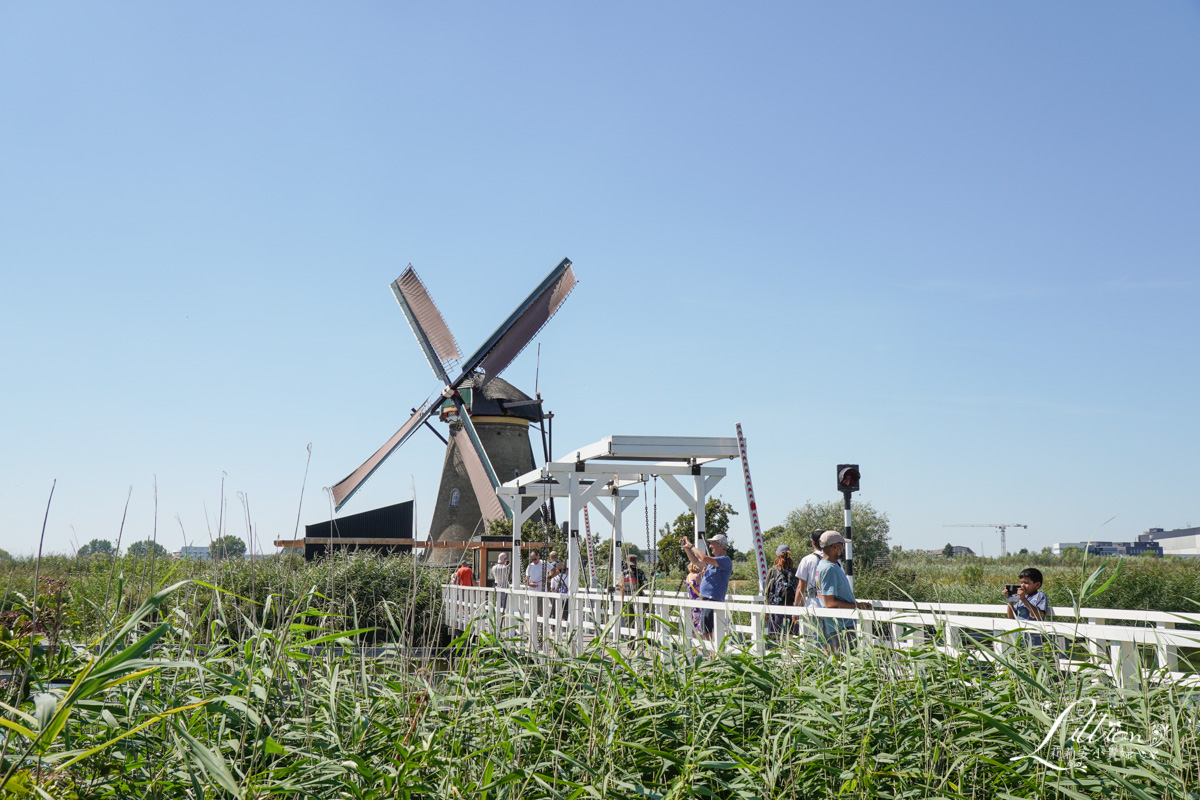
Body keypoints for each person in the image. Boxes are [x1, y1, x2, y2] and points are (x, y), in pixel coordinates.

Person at [815, 531, 872, 651]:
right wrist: (857, 606)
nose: (843, 547)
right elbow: (829, 603)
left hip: (835, 624)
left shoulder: (823, 565)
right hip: (841, 625)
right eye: (842, 544)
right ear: (835, 547)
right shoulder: (829, 568)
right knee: (849, 660)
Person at [679, 534, 733, 640]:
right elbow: (695, 561)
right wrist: (687, 549)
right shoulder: (713, 562)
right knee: (706, 633)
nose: (710, 546)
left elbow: (702, 557)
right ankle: (710, 656)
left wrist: (691, 546)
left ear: (720, 545)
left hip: (713, 601)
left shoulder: (724, 560)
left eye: (712, 543)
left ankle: (712, 656)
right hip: (707, 601)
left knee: (709, 633)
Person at [1004, 567, 1051, 646]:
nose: (1022, 586)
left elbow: (1039, 616)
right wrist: (1010, 598)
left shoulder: (1040, 595)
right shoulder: (1020, 598)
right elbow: (1011, 617)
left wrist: (1024, 600)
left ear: (1037, 584)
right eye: (1021, 582)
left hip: (1033, 640)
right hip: (1018, 638)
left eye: (1026, 583)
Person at [765, 544, 798, 635]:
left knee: (778, 636)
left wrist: (766, 611)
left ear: (777, 555)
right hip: (792, 608)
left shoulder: (773, 571)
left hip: (776, 607)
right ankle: (790, 650)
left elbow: (767, 592)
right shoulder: (794, 571)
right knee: (790, 636)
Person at [685, 563, 703, 632]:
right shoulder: (697, 576)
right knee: (699, 623)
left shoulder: (688, 576)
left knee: (693, 621)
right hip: (699, 603)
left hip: (691, 601)